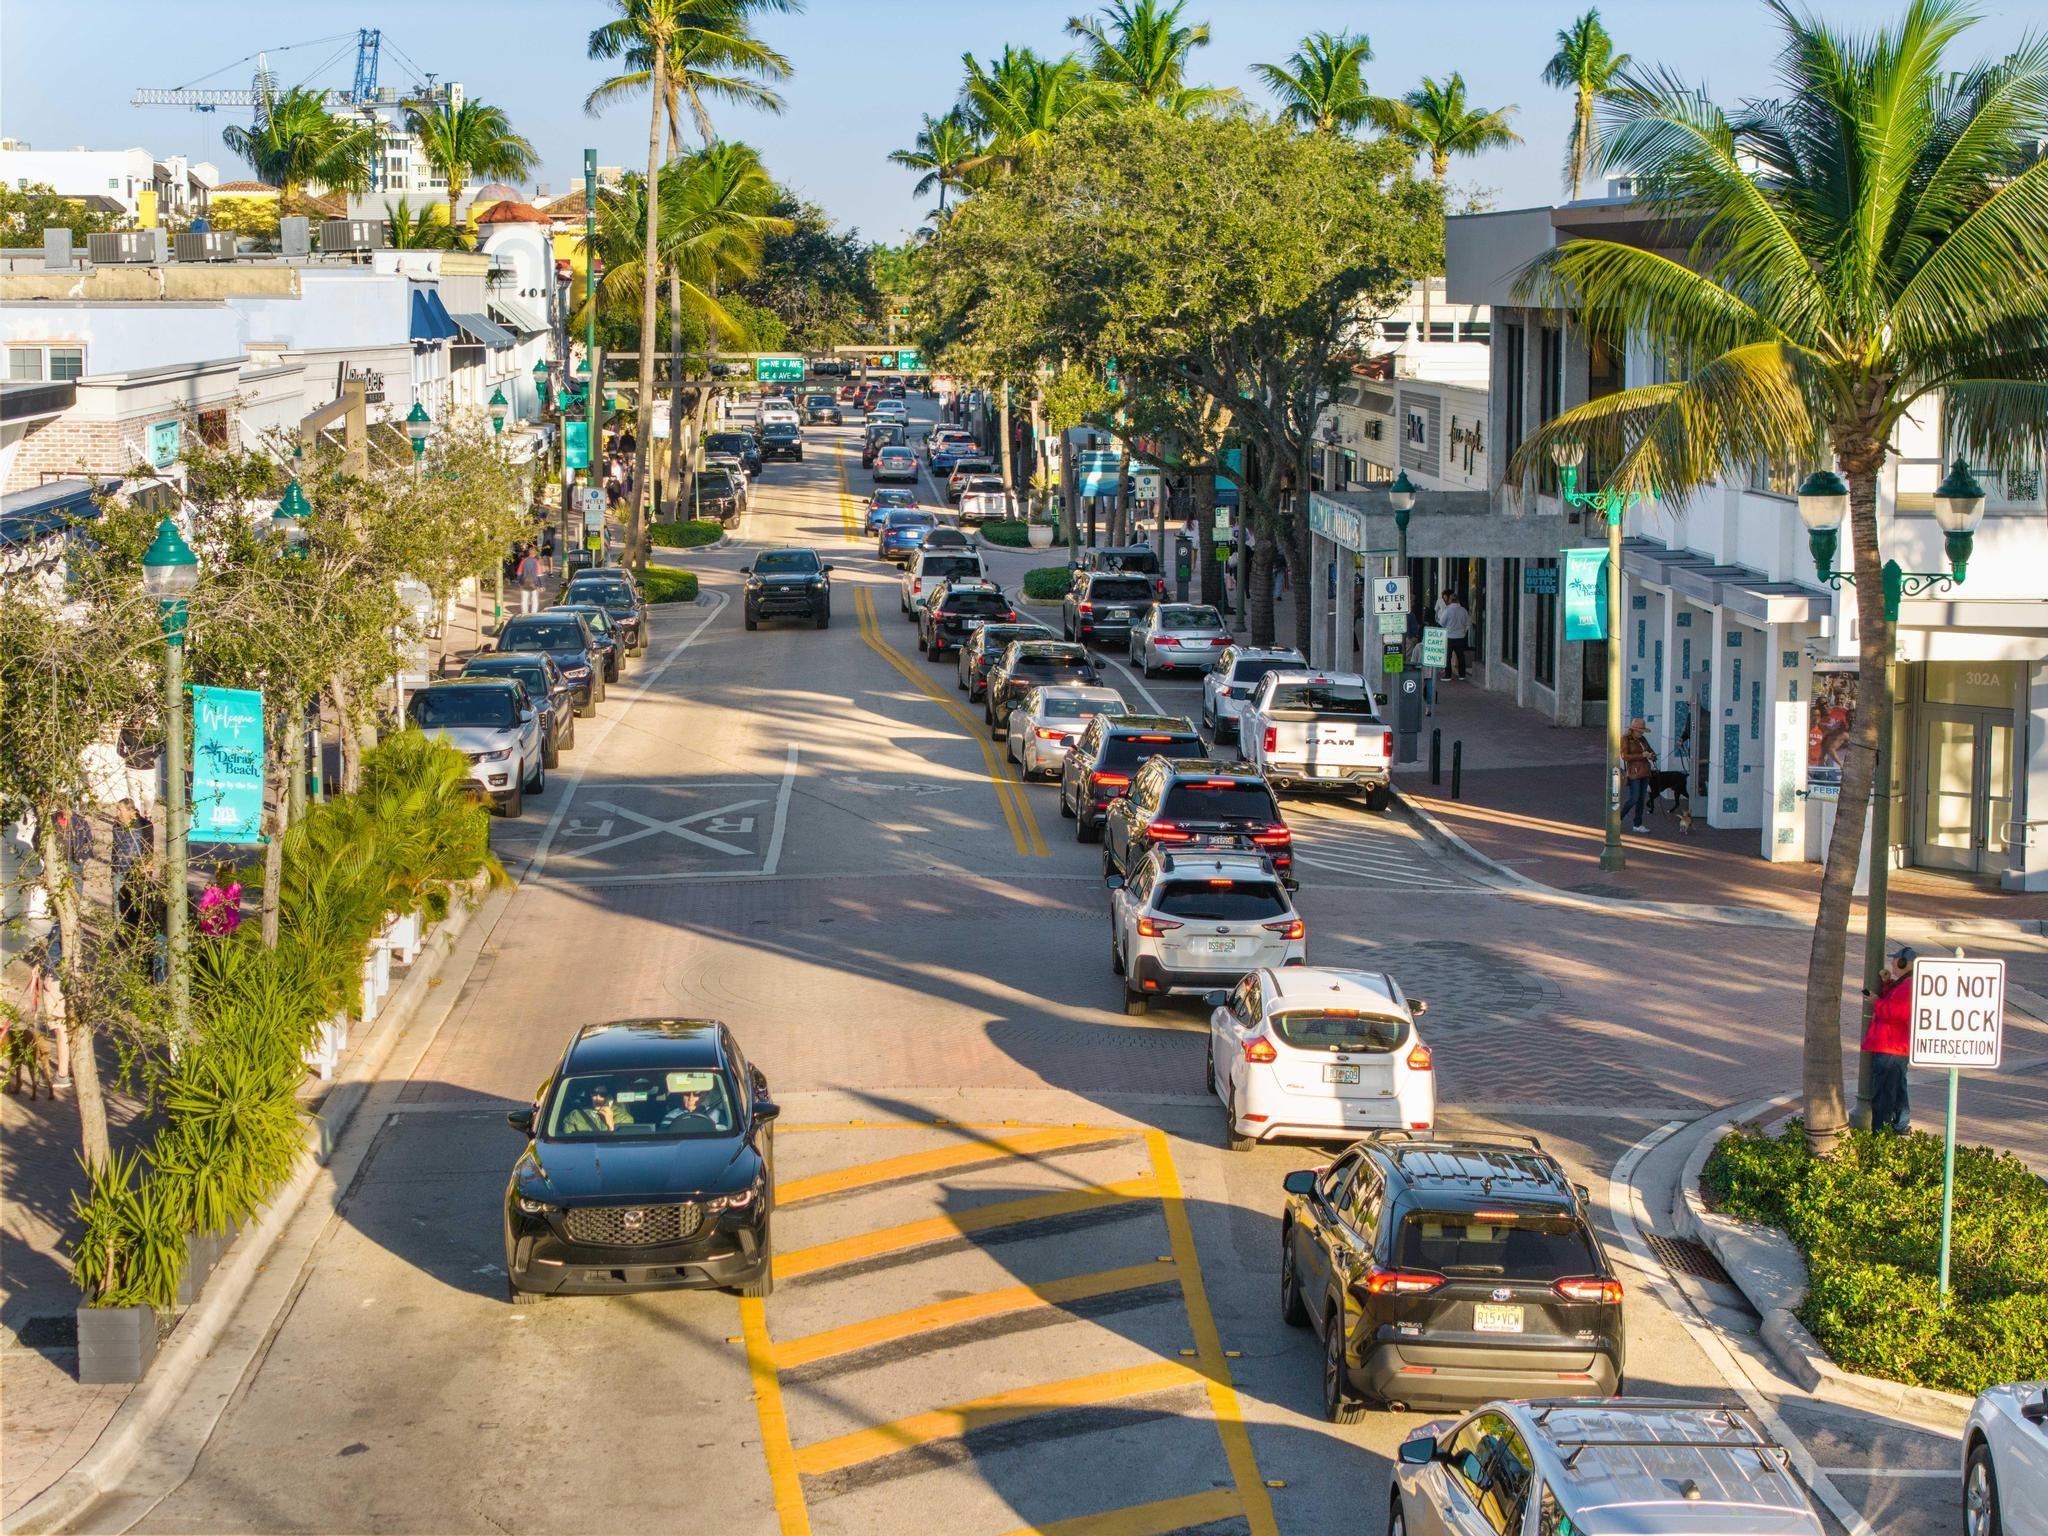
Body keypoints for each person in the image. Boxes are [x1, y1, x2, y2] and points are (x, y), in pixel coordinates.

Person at [1864, 948, 1915, 1133]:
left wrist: (1875, 1002)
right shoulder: (1905, 983)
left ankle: (1880, 1130)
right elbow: (1895, 1002)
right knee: (1898, 1086)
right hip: (1896, 1046)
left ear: (1904, 963)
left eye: (1895, 960)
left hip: (1890, 1046)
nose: (1892, 963)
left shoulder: (1908, 985)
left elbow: (1894, 1012)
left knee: (1884, 1091)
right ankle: (1901, 1124)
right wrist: (1886, 984)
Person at [29, 924, 70, 1090]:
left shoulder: (65, 924)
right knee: (61, 1028)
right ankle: (66, 1071)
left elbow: (68, 953)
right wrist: (40, 964)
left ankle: (62, 1075)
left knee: (60, 1028)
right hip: (54, 978)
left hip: (56, 982)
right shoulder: (59, 922)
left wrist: (52, 974)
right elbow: (52, 948)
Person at [110, 799, 154, 929]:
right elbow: (115, 847)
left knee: (136, 903)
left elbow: (149, 848)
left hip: (136, 872)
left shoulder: (144, 825)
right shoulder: (116, 825)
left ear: (130, 811)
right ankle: (119, 932)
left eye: (120, 810)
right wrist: (113, 868)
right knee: (117, 902)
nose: (117, 813)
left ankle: (135, 931)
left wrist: (146, 868)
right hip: (119, 869)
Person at [1620, 719, 1656, 831]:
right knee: (1634, 798)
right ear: (1632, 730)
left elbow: (1651, 751)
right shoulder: (1625, 739)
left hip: (1645, 771)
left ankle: (1637, 824)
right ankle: (1618, 818)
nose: (1641, 733)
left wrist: (1651, 755)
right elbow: (1624, 756)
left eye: (1642, 731)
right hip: (1634, 772)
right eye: (1639, 731)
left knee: (1641, 799)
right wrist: (1642, 755)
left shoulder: (1642, 739)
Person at [198, 862, 242, 938]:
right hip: (231, 923)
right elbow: (236, 905)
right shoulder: (237, 887)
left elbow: (203, 906)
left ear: (218, 873)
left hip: (214, 925)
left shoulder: (213, 889)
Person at [1439, 590, 1472, 679]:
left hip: (1449, 636)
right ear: (1458, 600)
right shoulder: (1463, 610)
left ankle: (1448, 675)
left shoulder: (1447, 610)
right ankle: (1462, 675)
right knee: (1461, 656)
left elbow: (1441, 622)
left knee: (1447, 657)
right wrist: (1464, 631)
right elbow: (1468, 623)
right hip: (1460, 637)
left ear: (1450, 600)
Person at [515, 544, 543, 615]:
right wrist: (541, 586)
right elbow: (539, 575)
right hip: (534, 583)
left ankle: (525, 613)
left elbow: (519, 573)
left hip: (524, 583)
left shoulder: (523, 561)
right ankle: (533, 613)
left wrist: (519, 582)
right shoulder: (536, 562)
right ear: (535, 554)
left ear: (528, 554)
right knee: (534, 600)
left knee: (524, 599)